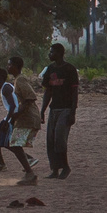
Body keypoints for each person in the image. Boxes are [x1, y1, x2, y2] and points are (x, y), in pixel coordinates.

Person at [39, 43, 79, 179]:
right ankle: (55, 169)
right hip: (54, 109)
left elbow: (75, 92)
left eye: (52, 52)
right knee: (50, 139)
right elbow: (48, 92)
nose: (50, 54)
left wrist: (73, 112)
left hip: (66, 109)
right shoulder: (50, 69)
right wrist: (43, 110)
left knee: (59, 139)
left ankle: (65, 167)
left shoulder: (69, 69)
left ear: (59, 53)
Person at [8, 55, 42, 176]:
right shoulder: (17, 80)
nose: (8, 67)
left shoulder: (21, 80)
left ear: (16, 67)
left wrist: (17, 114)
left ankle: (29, 172)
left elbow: (30, 97)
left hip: (28, 118)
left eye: (10, 65)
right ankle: (29, 166)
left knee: (15, 144)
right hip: (25, 118)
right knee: (13, 143)